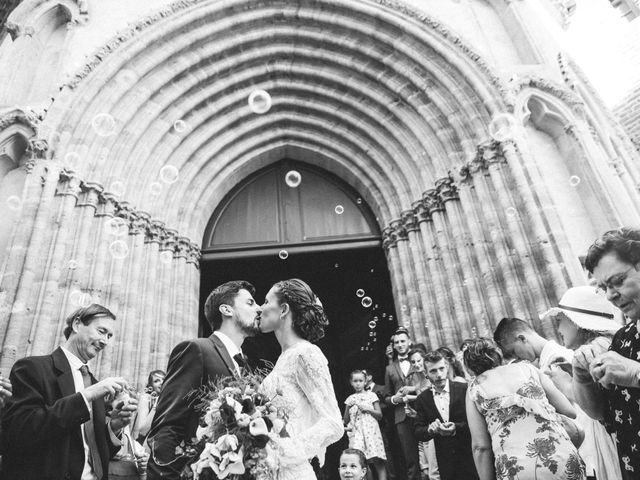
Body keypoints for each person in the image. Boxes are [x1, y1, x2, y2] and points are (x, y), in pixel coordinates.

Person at [2, 304, 138, 480]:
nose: (105, 341)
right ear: (76, 324)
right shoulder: (32, 368)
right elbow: (20, 431)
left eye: (109, 336)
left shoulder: (94, 384)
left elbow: (93, 451)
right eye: (101, 331)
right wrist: (86, 395)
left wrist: (114, 427)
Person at [147, 280, 262, 479]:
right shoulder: (197, 349)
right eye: (250, 303)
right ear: (226, 310)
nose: (259, 309)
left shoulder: (247, 366)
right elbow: (168, 425)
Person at [464, 337, 585, 480]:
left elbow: (480, 447)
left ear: (469, 367)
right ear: (498, 353)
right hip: (562, 457)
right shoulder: (528, 369)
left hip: (517, 469)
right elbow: (569, 411)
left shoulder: (474, 390)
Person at [258, 278, 343, 480]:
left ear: (284, 309)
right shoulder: (282, 359)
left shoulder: (306, 353)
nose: (260, 308)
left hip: (292, 470)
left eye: (266, 301)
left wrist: (283, 452)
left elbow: (333, 423)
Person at [573, 227, 640, 478]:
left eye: (618, 281)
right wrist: (582, 379)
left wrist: (635, 374)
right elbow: (603, 414)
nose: (611, 295)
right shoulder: (623, 338)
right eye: (604, 287)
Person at [546, 286, 622, 480]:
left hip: (617, 440)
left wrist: (565, 384)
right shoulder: (602, 344)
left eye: (561, 321)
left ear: (576, 322)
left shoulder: (595, 348)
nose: (559, 329)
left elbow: (596, 410)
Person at [413, 350, 478, 480]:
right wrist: (430, 430)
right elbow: (417, 431)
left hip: (470, 456)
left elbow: (476, 423)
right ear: (426, 374)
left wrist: (456, 428)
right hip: (445, 462)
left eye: (441, 369)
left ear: (447, 367)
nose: (439, 374)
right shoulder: (422, 399)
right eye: (433, 371)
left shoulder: (464, 389)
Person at [383, 327, 420, 480]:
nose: (400, 344)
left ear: (409, 342)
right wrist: (394, 399)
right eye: (397, 342)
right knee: (410, 457)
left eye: (403, 341)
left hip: (421, 411)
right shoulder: (390, 368)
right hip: (401, 417)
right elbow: (386, 397)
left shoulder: (418, 361)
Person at [343, 370, 387, 480]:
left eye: (360, 381)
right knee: (363, 463)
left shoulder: (372, 395)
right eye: (355, 381)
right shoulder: (350, 399)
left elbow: (379, 415)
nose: (358, 383)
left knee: (378, 461)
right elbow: (345, 420)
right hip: (358, 434)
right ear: (351, 382)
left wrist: (368, 409)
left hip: (371, 432)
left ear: (365, 381)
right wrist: (348, 407)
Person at [494, 317, 574, 371]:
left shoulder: (557, 359)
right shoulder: (546, 360)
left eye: (513, 352)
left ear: (522, 338)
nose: (516, 358)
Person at [404, 349, 436, 480]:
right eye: (413, 362)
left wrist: (409, 396)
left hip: (434, 423)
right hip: (423, 424)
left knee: (434, 469)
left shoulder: (431, 376)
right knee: (427, 469)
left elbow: (428, 396)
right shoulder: (416, 379)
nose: (416, 364)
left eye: (419, 360)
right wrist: (413, 413)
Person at [131, 369, 165, 444]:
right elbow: (142, 431)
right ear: (151, 386)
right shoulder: (146, 398)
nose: (161, 383)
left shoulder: (169, 401)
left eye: (164, 380)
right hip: (143, 445)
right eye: (156, 381)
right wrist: (157, 403)